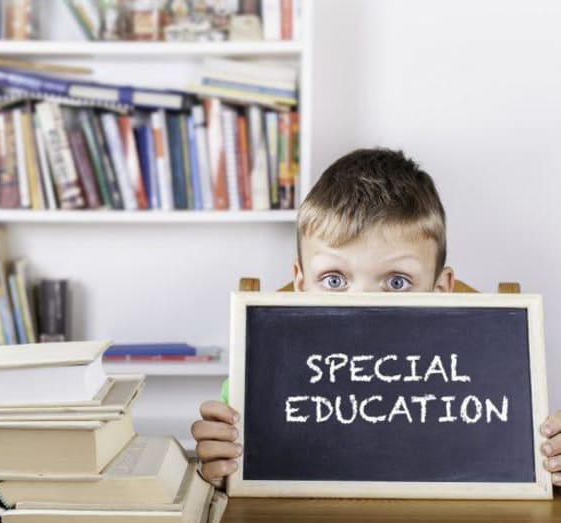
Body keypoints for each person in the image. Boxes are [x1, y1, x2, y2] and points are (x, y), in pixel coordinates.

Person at [191, 147, 561, 488]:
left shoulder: (484, 375)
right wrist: (221, 469)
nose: (362, 305)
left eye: (397, 282)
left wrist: (552, 463)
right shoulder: (264, 379)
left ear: (440, 288)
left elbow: (512, 463)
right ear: (300, 283)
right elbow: (233, 486)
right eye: (334, 280)